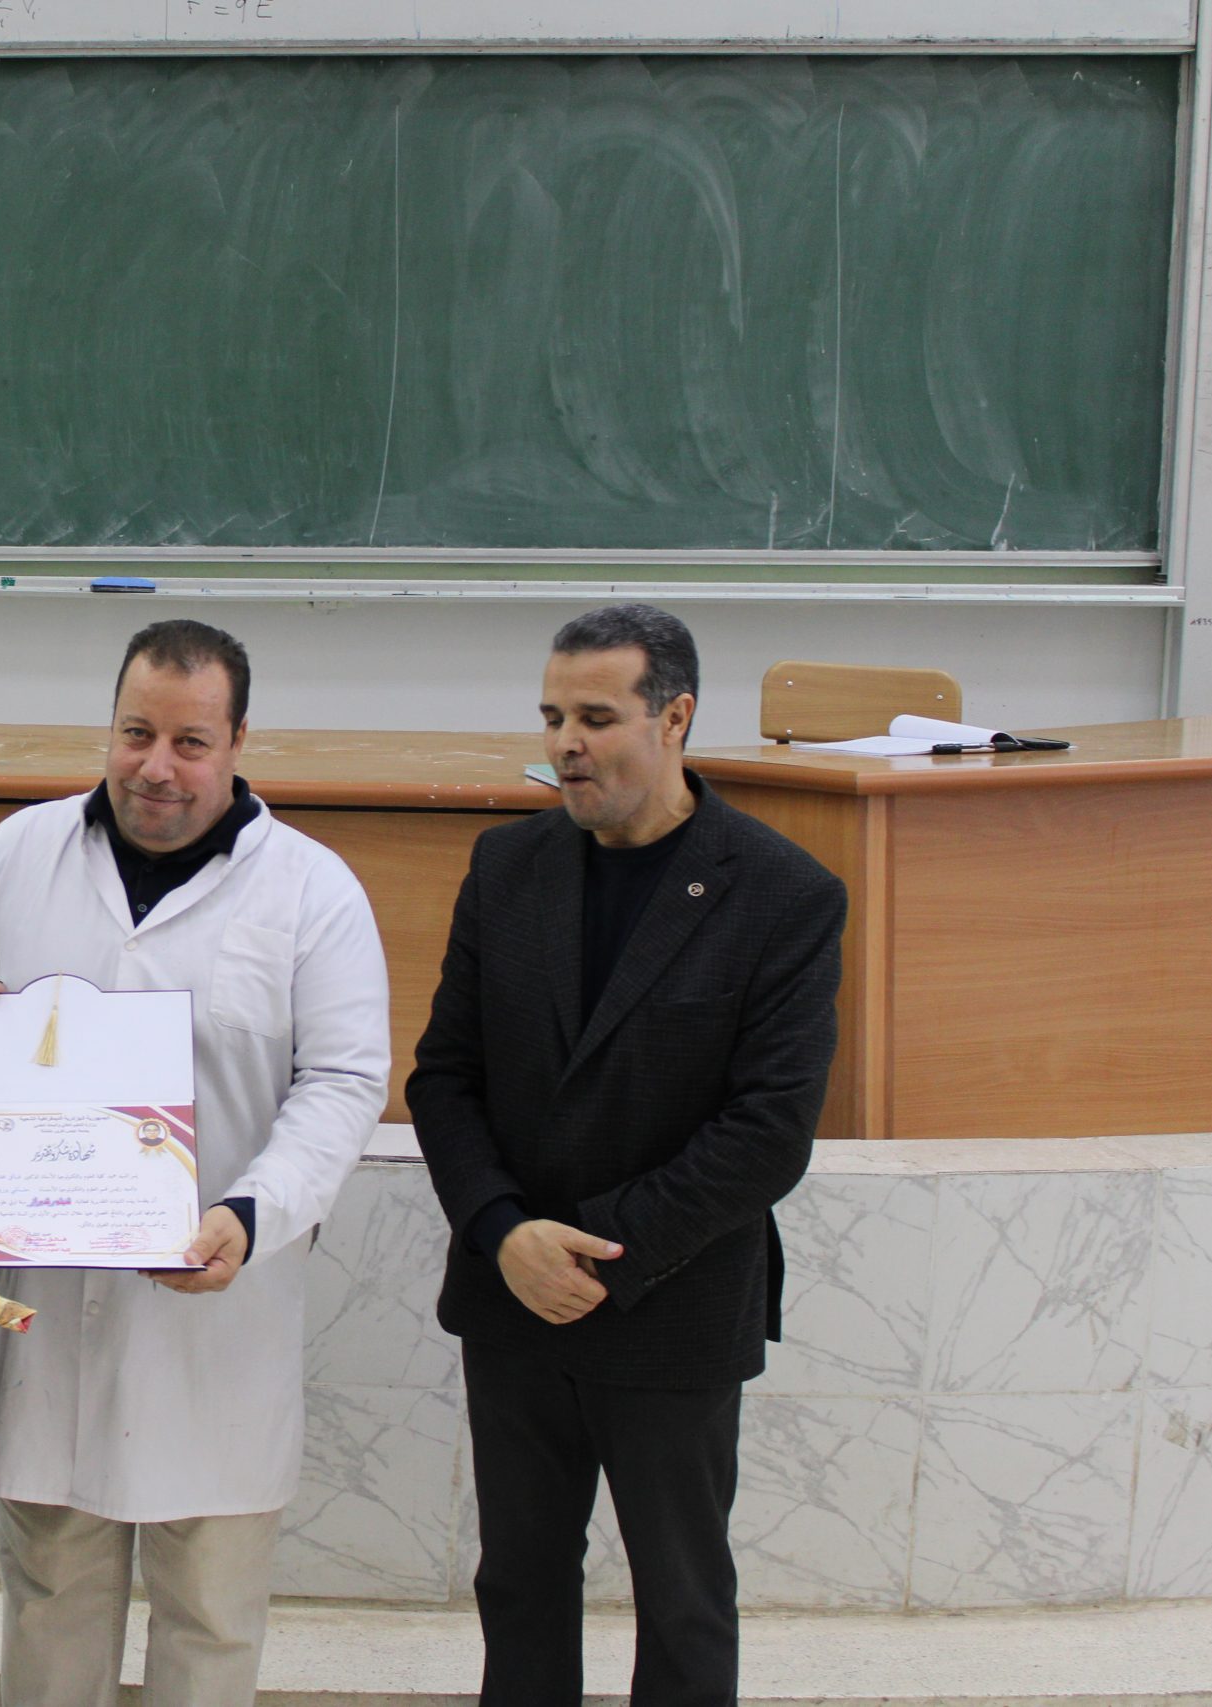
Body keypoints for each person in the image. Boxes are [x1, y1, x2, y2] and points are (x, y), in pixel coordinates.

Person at [0, 619, 389, 1707]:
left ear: (238, 743)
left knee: (210, 1620)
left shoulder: (311, 890)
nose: (156, 767)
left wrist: (252, 1212)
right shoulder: (24, 849)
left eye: (190, 742)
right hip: (50, 1302)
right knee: (50, 1603)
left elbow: (344, 1080)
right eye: (136, 733)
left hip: (213, 1313)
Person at [408, 603, 846, 1707]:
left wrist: (594, 1253)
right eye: (553, 716)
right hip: (512, 1301)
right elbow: (443, 1078)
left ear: (675, 717)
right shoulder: (507, 867)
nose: (566, 742)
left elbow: (767, 1133)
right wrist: (506, 1233)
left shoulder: (784, 894)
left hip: (670, 1307)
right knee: (517, 1585)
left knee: (683, 1602)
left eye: (596, 718)